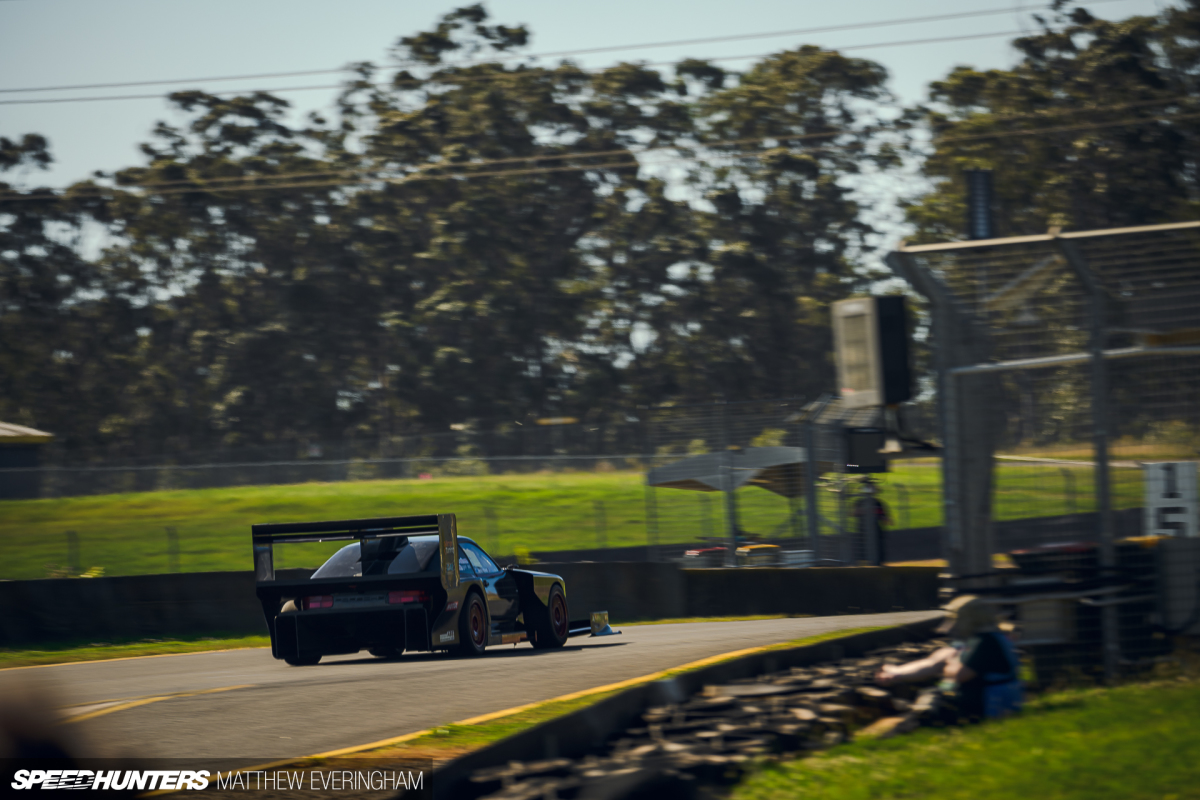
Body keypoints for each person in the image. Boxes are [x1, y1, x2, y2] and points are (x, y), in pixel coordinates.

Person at [876, 594, 1022, 721]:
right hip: (983, 696)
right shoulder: (974, 638)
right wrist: (897, 673)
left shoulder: (984, 641)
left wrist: (950, 662)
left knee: (933, 696)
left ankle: (913, 721)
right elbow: (931, 663)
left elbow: (959, 675)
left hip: (992, 703)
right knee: (933, 691)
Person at [851, 478, 892, 565]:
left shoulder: (877, 502)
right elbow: (853, 513)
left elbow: (883, 516)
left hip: (875, 528)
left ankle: (878, 562)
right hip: (863, 528)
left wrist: (885, 519)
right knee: (862, 545)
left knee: (877, 545)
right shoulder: (860, 502)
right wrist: (865, 510)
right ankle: (863, 562)